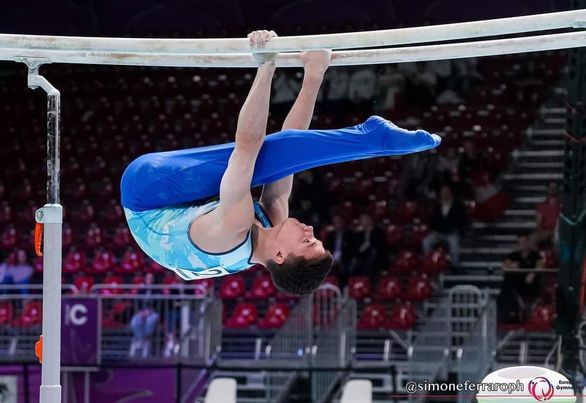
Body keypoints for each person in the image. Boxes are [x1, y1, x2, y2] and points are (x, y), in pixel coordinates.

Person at [120, 30, 441, 296]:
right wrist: (314, 75)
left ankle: (374, 139)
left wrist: (266, 64)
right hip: (182, 208)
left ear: (279, 255)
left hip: (147, 193)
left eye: (307, 240)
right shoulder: (270, 223)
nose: (310, 229)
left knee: (257, 158)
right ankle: (373, 140)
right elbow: (291, 142)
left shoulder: (233, 228)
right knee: (278, 161)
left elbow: (247, 146)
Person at [422, 185, 468, 266]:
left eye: (446, 192)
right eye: (442, 192)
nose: (444, 194)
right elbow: (433, 221)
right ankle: (429, 262)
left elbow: (463, 221)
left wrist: (457, 231)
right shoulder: (437, 206)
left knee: (454, 245)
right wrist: (435, 230)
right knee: (426, 242)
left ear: (450, 193)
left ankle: (455, 265)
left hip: (452, 232)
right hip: (439, 232)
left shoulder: (458, 205)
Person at [529, 182, 561, 248]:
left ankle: (554, 258)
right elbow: (539, 222)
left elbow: (560, 222)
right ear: (547, 190)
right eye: (551, 188)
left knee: (557, 241)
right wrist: (541, 232)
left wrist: (551, 232)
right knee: (532, 239)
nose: (553, 190)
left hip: (557, 231)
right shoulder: (541, 205)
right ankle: (539, 257)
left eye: (554, 188)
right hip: (544, 230)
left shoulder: (562, 205)